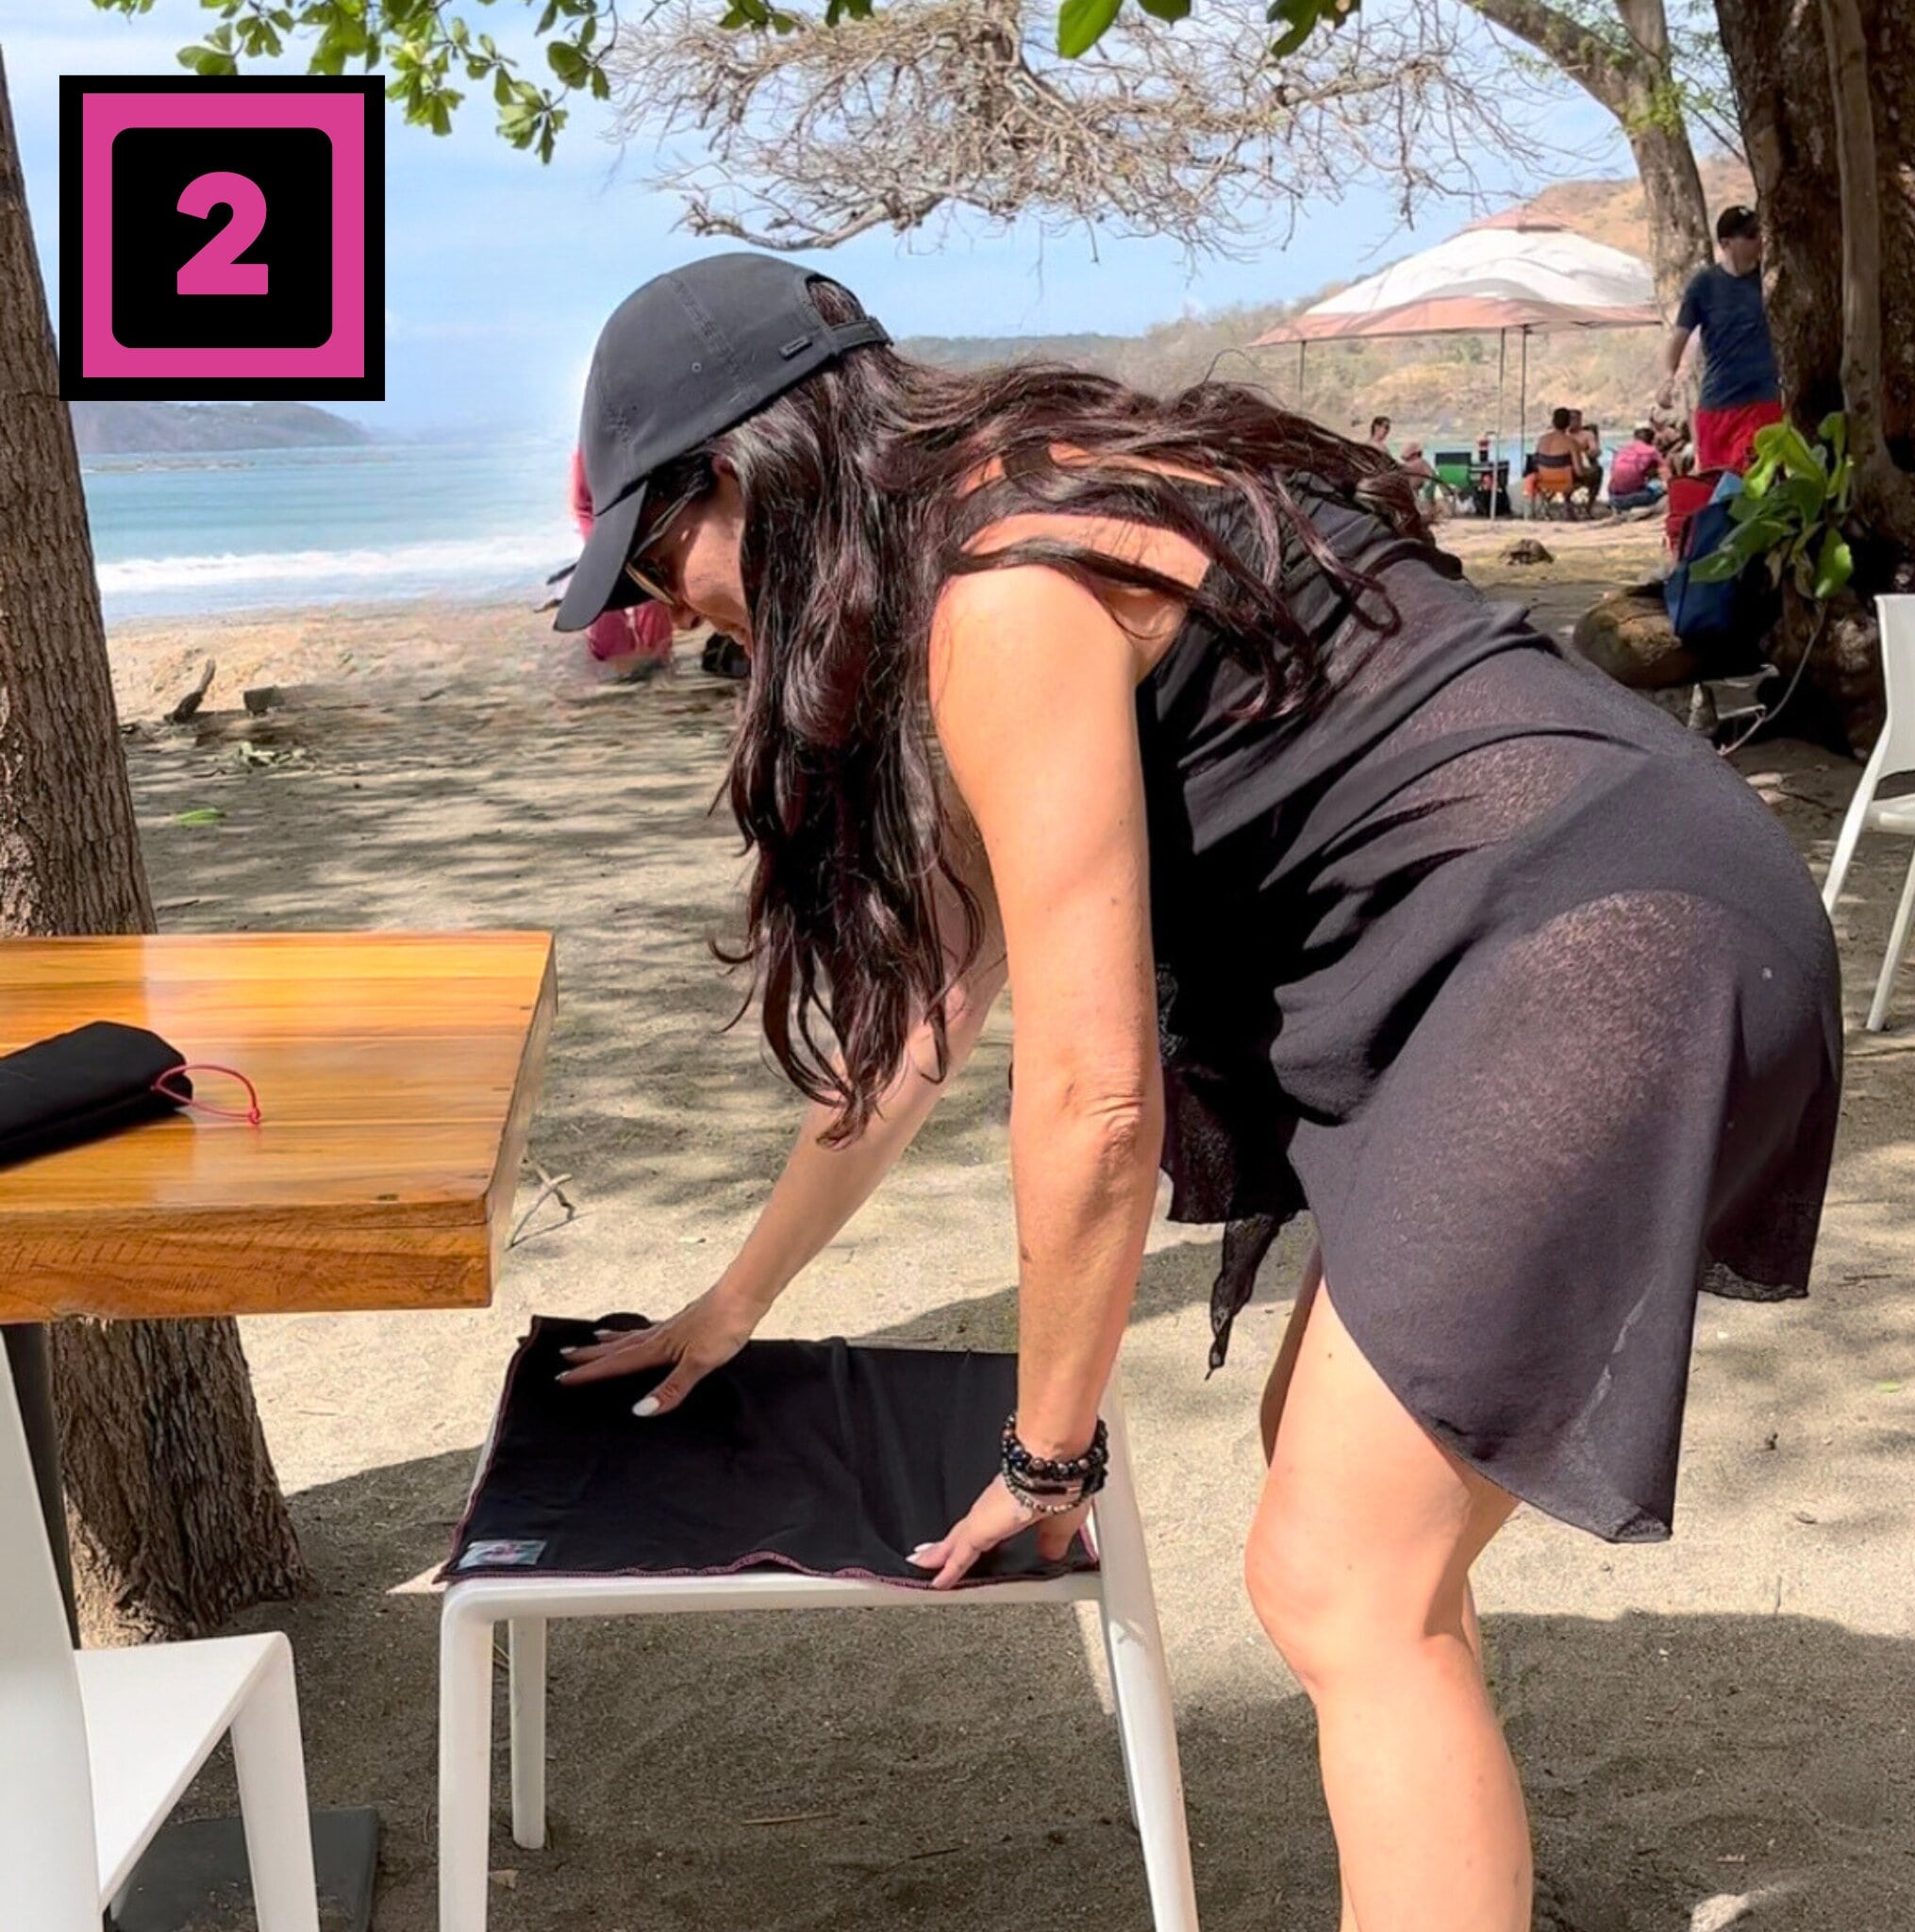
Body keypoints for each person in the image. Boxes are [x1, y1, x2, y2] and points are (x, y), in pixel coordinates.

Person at [552, 254, 1842, 1932]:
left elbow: (1092, 1105)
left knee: (1337, 1578)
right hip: (1583, 905)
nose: (683, 610)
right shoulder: (1010, 507)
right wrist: (732, 1301)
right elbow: (929, 1011)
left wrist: (1044, 1453)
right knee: (1337, 1508)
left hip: (1594, 939)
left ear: (743, 471)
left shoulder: (1001, 589)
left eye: (660, 556)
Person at [1659, 207, 1782, 475]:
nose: (1759, 240)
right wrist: (1668, 378)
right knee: (1719, 486)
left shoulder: (1770, 280)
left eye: (1760, 232)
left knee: (1758, 482)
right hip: (1719, 404)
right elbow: (1679, 335)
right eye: (1750, 235)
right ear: (1726, 243)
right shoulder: (1704, 285)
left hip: (1762, 401)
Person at [569, 446, 674, 676]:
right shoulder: (588, 450)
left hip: (645, 532)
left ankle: (658, 662)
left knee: (652, 597)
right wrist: (602, 548)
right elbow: (583, 506)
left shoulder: (647, 440)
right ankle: (614, 666)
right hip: (604, 536)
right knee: (604, 602)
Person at [1529, 408, 1584, 519]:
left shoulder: (1542, 440)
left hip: (1544, 482)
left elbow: (1535, 464)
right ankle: (1585, 508)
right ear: (1568, 423)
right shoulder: (1571, 443)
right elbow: (1579, 471)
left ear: (1553, 422)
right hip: (1566, 483)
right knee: (1595, 473)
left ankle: (1548, 506)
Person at [1607, 425, 1667, 511]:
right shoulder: (1652, 451)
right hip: (1636, 498)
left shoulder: (1621, 450)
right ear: (1652, 440)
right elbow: (1666, 474)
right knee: (1659, 488)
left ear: (1634, 438)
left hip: (1613, 499)